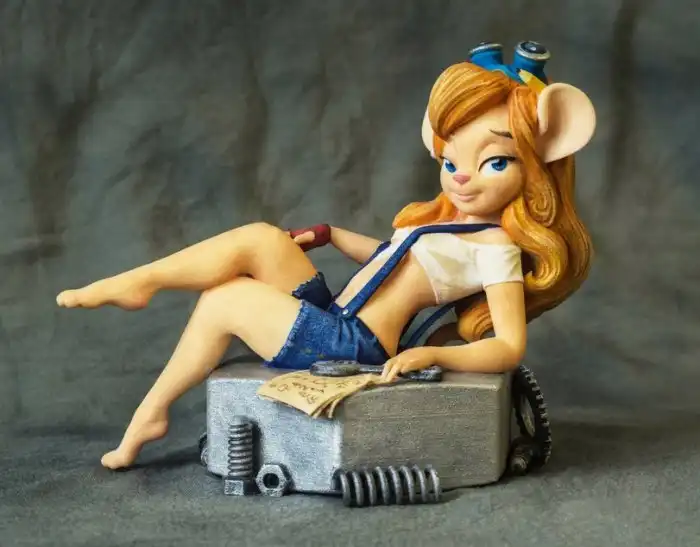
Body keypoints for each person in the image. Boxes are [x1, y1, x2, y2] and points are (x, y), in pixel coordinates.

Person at [56, 41, 596, 470]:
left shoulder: (496, 248)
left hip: (355, 343)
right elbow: (390, 259)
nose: (462, 177)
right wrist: (333, 235)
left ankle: (150, 414)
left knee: (226, 300)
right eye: (450, 160)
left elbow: (508, 346)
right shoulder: (446, 221)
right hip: (338, 314)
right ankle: (141, 281)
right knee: (261, 237)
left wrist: (435, 355)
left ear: (537, 167)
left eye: (495, 162)